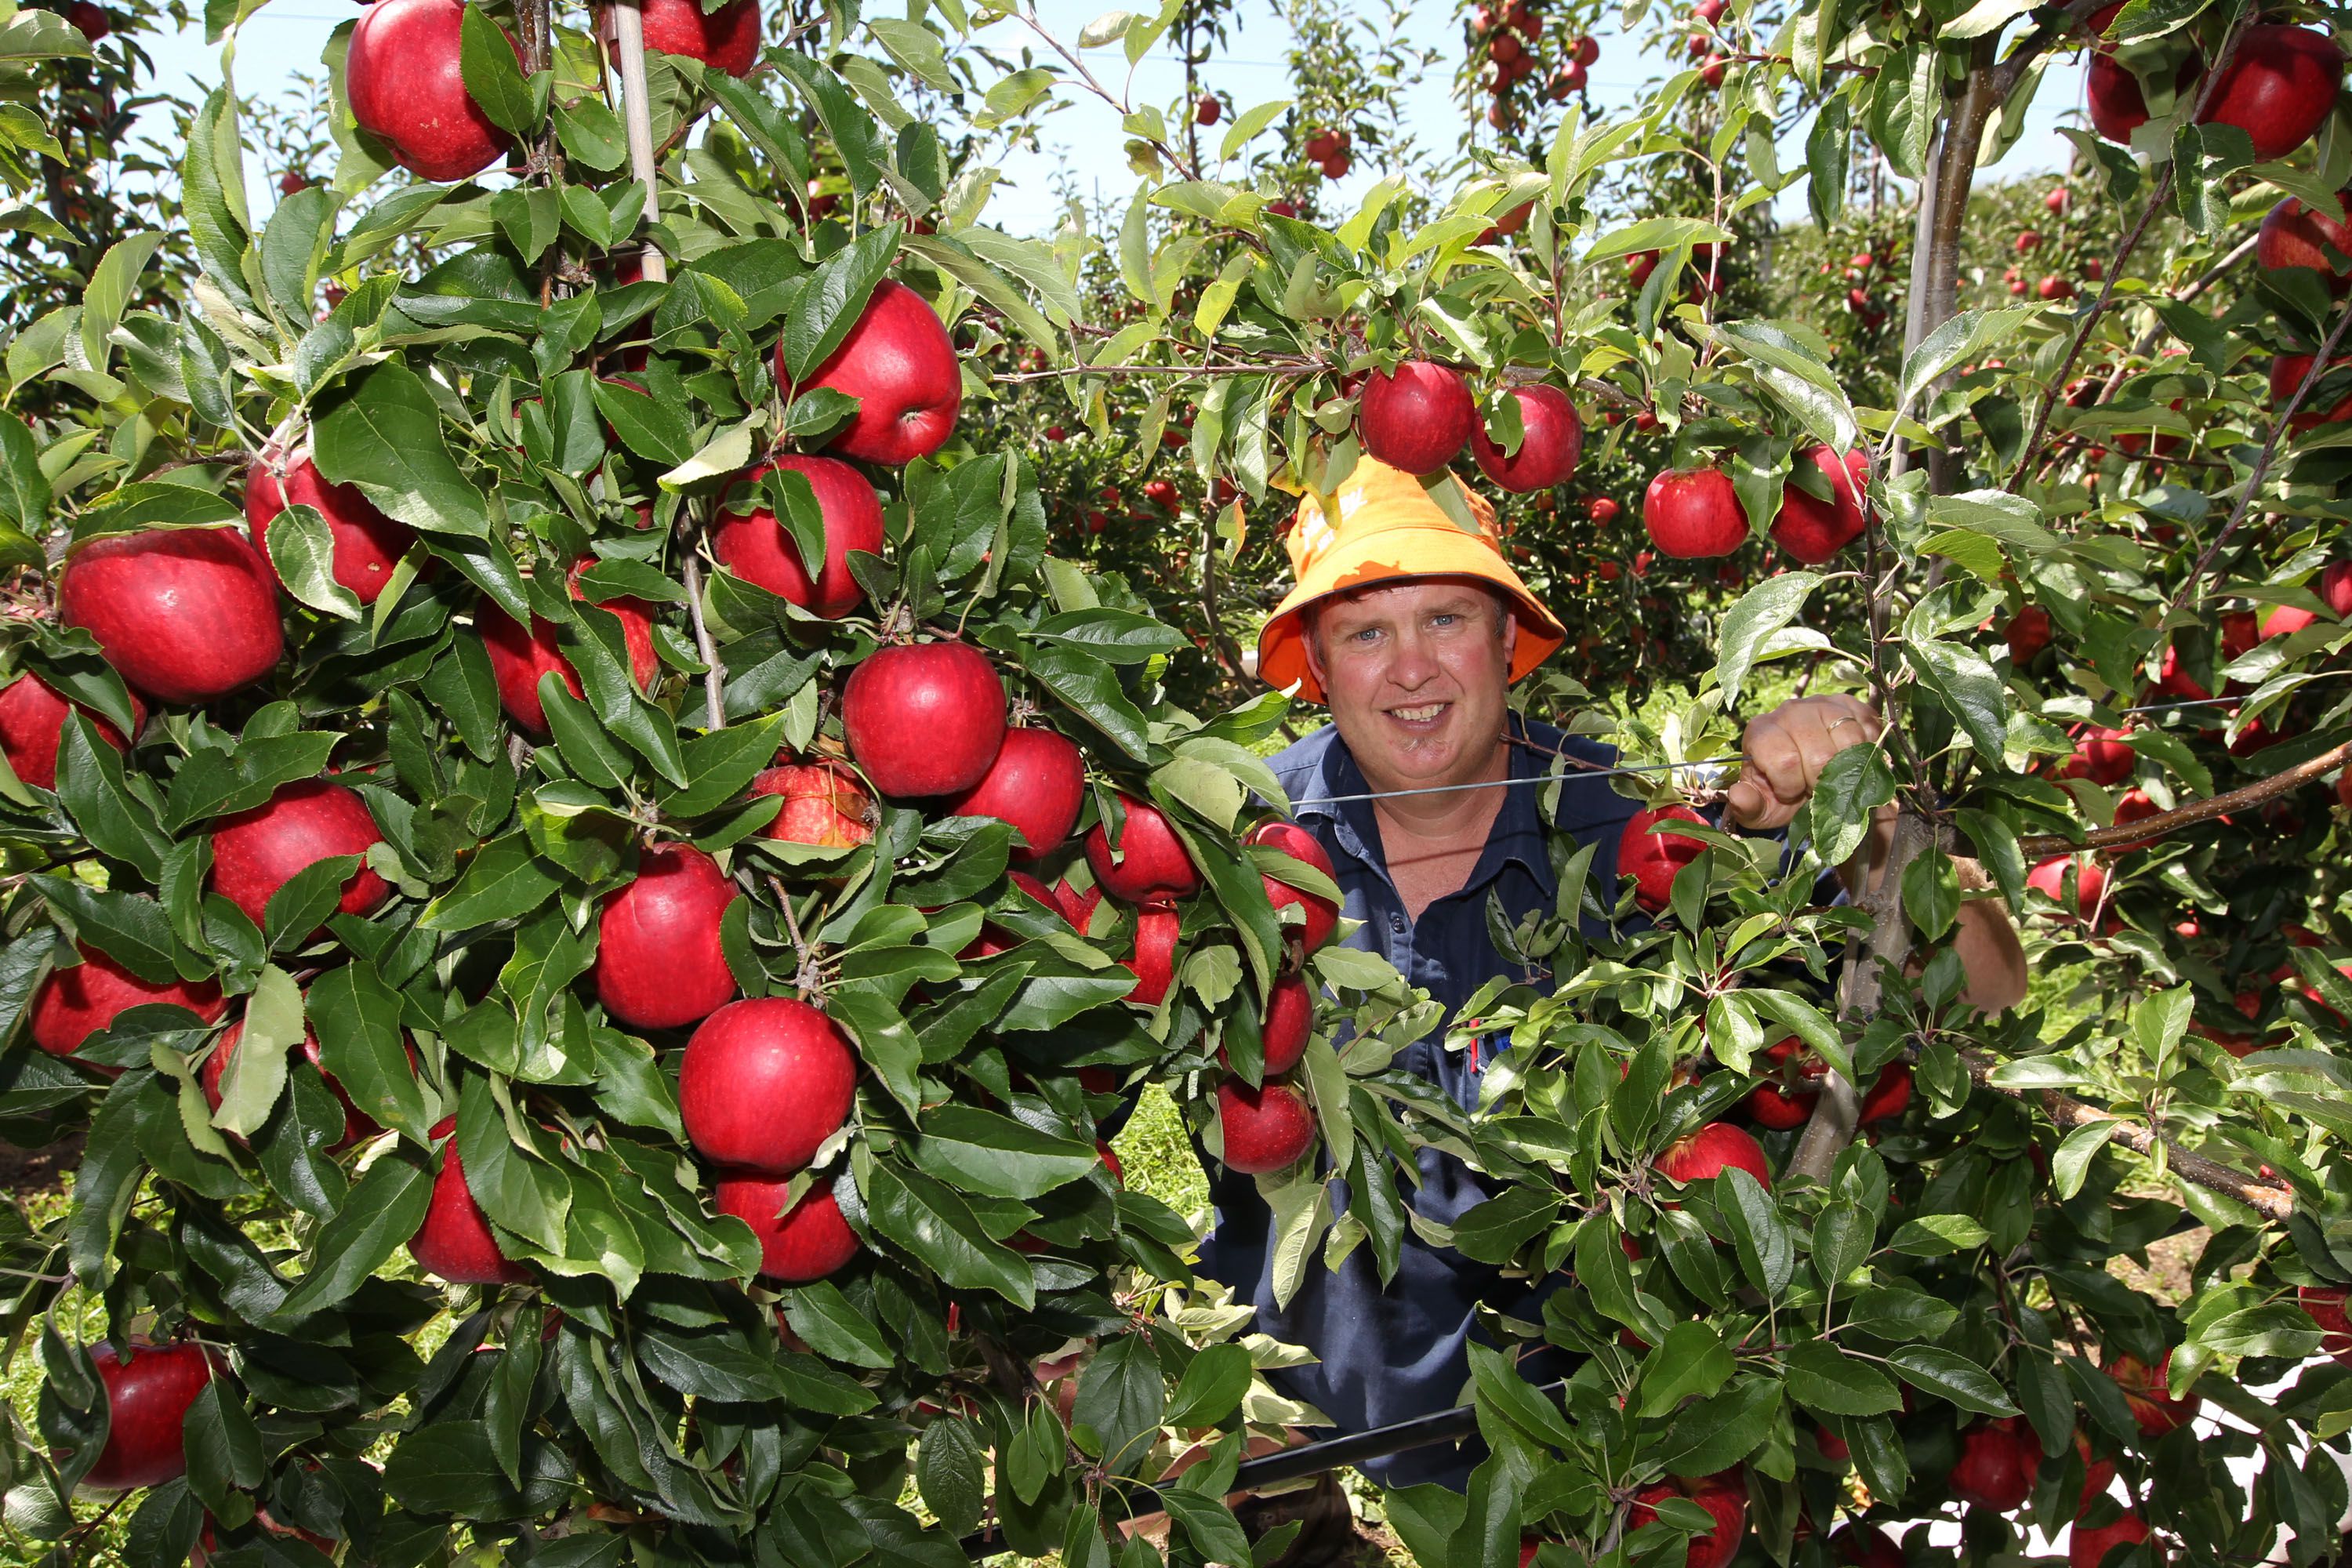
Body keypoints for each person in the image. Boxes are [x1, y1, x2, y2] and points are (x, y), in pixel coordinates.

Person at [1200, 456, 2027, 1535]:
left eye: (1446, 618)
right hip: (1303, 1455)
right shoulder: (1237, 848)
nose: (1411, 668)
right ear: (1314, 662)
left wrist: (1873, 823)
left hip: (1591, 1464)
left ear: (1506, 637)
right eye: (1365, 631)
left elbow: (1988, 989)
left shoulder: (1638, 834)